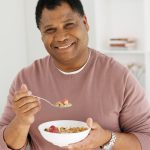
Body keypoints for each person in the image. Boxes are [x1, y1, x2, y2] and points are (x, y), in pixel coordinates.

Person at [0, 0, 150, 149]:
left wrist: (107, 138)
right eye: (50, 30)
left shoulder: (119, 77)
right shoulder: (27, 79)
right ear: (41, 35)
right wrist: (21, 122)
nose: (61, 37)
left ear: (85, 23)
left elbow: (146, 140)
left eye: (69, 25)